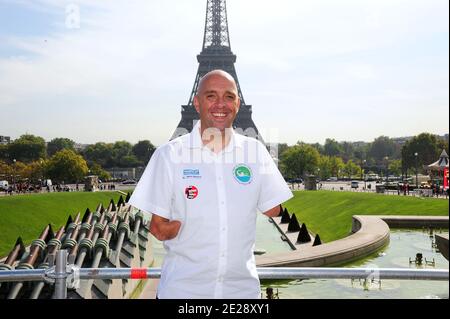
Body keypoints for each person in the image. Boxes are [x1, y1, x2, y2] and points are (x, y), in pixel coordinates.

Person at [129, 70, 293, 299]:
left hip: (241, 294)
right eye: (211, 96)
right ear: (196, 103)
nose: (220, 104)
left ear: (238, 103)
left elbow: (273, 208)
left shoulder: (256, 152)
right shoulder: (168, 155)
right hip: (183, 293)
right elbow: (158, 226)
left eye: (228, 96)